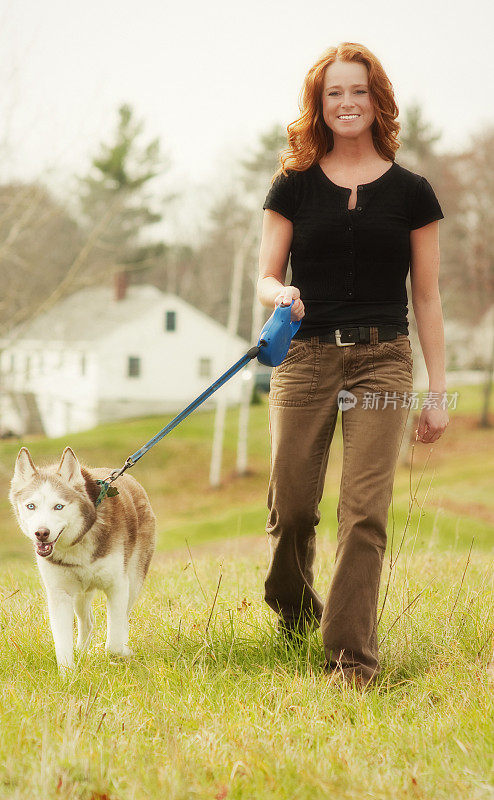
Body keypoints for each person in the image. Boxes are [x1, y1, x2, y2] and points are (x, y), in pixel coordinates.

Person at [256, 42, 449, 688]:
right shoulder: (293, 184)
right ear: (320, 102)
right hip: (306, 359)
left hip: (382, 361)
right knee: (292, 507)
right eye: (334, 92)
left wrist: (439, 390)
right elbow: (264, 274)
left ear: (377, 101)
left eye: (358, 92)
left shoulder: (413, 194)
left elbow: (427, 296)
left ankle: (350, 661)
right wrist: (280, 293)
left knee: (363, 513)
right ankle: (292, 606)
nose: (346, 103)